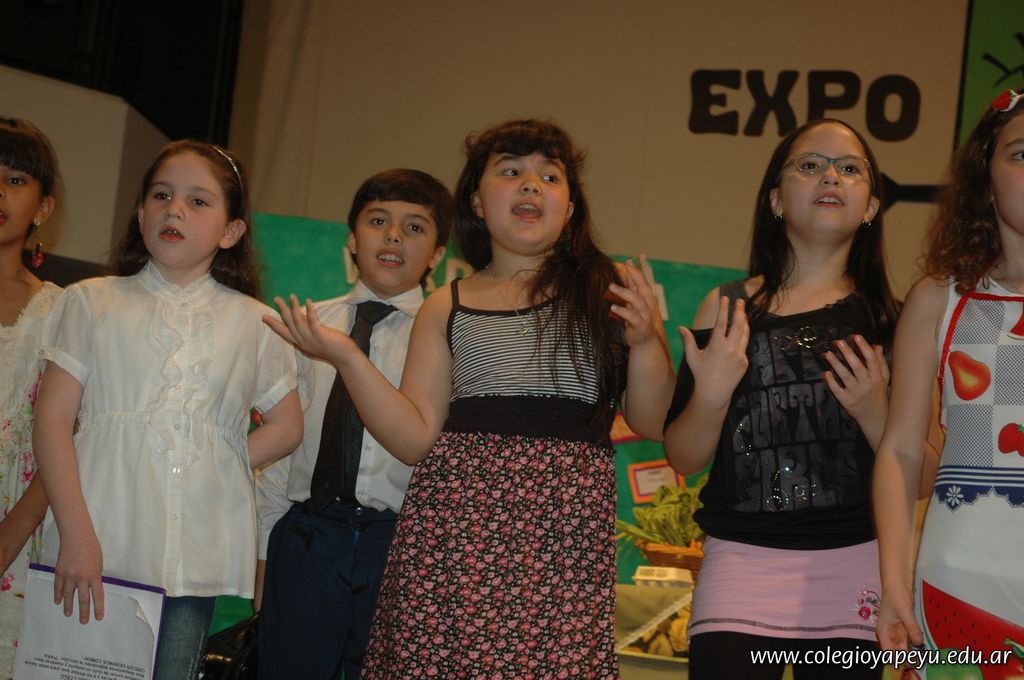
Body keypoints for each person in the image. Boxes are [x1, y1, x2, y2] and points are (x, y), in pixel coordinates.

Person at [264, 119, 675, 678]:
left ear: (571, 207)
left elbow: (653, 420)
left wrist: (646, 342)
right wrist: (347, 357)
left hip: (563, 542)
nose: (530, 185)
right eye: (510, 172)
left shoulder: (608, 290)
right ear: (478, 203)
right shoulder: (445, 304)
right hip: (452, 542)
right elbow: (414, 438)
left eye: (549, 176)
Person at [32, 140, 303, 680]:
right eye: (161, 195)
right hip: (98, 538)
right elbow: (53, 421)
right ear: (140, 215)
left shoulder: (255, 323)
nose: (174, 209)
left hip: (193, 554)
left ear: (231, 231)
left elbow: (287, 426)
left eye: (198, 201)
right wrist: (77, 534)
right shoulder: (91, 301)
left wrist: (212, 462)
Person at [663, 119, 899, 679]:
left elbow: (920, 475)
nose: (830, 177)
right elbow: (683, 457)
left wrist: (876, 414)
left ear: (871, 205)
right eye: (809, 165)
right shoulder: (726, 309)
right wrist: (712, 393)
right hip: (740, 568)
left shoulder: (893, 319)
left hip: (854, 567)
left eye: (850, 168)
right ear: (775, 199)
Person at [255, 168, 452, 680]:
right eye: (378, 221)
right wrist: (263, 557)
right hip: (308, 536)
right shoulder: (305, 327)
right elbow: (281, 453)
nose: (393, 236)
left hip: (403, 545)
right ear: (351, 238)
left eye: (414, 227)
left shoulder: (448, 339)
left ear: (437, 254)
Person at [874, 88, 1024, 675]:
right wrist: (893, 583)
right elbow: (901, 449)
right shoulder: (939, 299)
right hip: (955, 591)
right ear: (984, 181)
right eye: (1021, 154)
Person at [0, 117, 61, 679]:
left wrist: (15, 529)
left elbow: (70, 436)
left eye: (16, 180)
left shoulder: (62, 313)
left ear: (43, 208)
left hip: (19, 540)